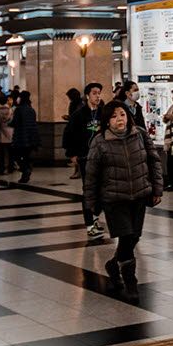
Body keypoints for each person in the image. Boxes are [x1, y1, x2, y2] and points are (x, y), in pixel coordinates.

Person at [83, 100, 163, 303]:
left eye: (122, 114)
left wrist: (157, 188)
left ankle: (113, 264)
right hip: (114, 198)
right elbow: (91, 174)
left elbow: (153, 160)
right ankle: (130, 283)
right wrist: (91, 202)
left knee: (134, 236)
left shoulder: (140, 134)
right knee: (127, 237)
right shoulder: (100, 142)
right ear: (107, 121)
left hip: (139, 195)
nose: (119, 119)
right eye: (114, 116)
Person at [65, 83, 106, 239]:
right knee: (89, 191)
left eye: (99, 93)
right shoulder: (79, 114)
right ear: (88, 95)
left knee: (102, 190)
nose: (97, 96)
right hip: (85, 157)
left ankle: (95, 217)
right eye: (94, 93)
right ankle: (90, 225)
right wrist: (72, 153)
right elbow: (69, 134)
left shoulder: (104, 113)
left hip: (101, 157)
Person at [10, 90, 41, 184]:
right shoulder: (31, 109)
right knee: (26, 156)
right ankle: (26, 173)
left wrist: (9, 123)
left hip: (21, 137)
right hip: (31, 137)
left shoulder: (19, 109)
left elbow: (15, 122)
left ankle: (25, 170)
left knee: (16, 155)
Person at [62, 87, 85, 177]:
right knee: (76, 152)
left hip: (76, 132)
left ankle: (78, 171)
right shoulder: (79, 104)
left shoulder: (78, 105)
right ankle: (77, 170)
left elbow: (76, 117)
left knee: (76, 152)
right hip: (75, 130)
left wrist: (68, 117)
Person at [0, 95, 14, 175]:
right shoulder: (10, 110)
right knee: (10, 152)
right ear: (6, 101)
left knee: (1, 153)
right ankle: (10, 168)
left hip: (1, 133)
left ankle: (1, 169)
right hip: (10, 133)